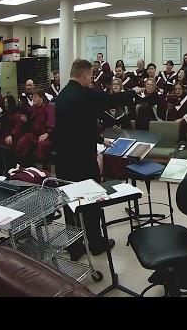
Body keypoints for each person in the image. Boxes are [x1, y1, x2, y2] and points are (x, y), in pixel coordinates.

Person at [55, 59, 143, 259]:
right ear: (85, 75)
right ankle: (96, 243)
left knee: (71, 204)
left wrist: (100, 139)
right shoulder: (84, 94)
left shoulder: (62, 96)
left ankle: (75, 246)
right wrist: (133, 92)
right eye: (91, 77)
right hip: (82, 161)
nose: (92, 80)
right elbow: (111, 100)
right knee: (91, 202)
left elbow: (76, 127)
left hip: (63, 160)